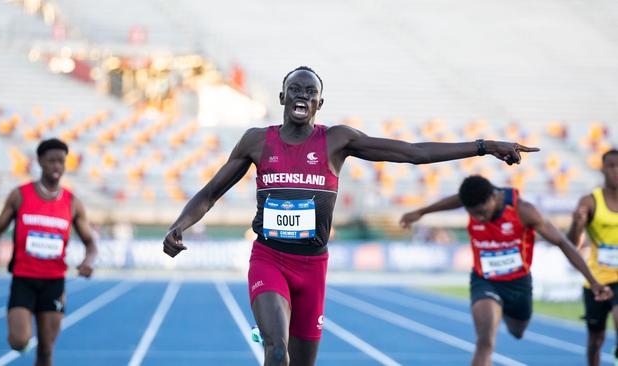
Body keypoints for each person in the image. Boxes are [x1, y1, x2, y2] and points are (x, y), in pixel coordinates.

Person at [163, 66, 539, 366]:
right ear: (281, 97)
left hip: (313, 268)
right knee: (277, 352)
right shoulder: (257, 141)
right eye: (295, 89)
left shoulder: (336, 141)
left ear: (320, 103)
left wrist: (483, 146)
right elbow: (211, 192)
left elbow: (412, 153)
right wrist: (180, 225)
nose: (302, 95)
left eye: (310, 92)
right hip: (269, 259)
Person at [400, 175, 613, 366]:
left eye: (483, 212)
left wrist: (592, 281)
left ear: (493, 197)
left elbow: (562, 242)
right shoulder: (471, 200)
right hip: (485, 280)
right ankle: (492, 311)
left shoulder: (523, 211)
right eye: (474, 215)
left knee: (517, 331)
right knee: (485, 340)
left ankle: (507, 313)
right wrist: (421, 212)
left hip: (518, 283)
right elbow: (456, 199)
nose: (480, 218)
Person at [0, 138, 97, 366]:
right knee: (18, 340)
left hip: (54, 283)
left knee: (45, 351)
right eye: (51, 161)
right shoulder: (20, 195)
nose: (56, 166)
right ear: (40, 162)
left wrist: (88, 261)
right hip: (24, 279)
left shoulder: (72, 203)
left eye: (61, 162)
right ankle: (21, 340)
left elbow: (90, 243)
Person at [567, 149, 618, 366]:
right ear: (602, 169)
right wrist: (578, 224)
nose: (616, 171)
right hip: (596, 279)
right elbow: (572, 242)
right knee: (595, 340)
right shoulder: (590, 201)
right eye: (611, 166)